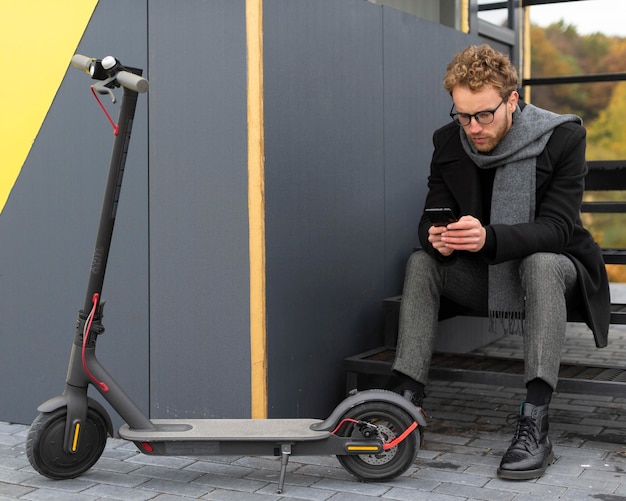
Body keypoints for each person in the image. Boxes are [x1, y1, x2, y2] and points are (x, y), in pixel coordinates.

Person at [390, 44, 610, 480]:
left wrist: (489, 238)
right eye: (463, 115)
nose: (472, 128)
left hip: (556, 273)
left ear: (512, 100)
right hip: (486, 274)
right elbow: (431, 214)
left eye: (484, 115)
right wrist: (438, 238)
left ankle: (535, 421)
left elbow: (559, 229)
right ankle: (403, 405)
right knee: (421, 262)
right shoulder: (448, 141)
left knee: (542, 263)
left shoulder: (563, 137)